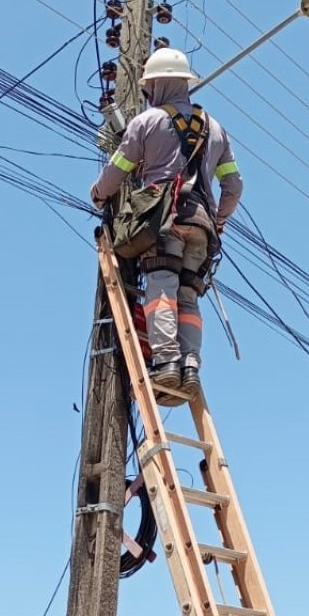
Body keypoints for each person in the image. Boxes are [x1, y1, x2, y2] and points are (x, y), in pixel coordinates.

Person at [90, 47, 243, 399]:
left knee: (161, 288)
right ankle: (190, 365)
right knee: (188, 297)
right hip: (202, 226)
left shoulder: (147, 122)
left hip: (165, 219)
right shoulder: (217, 130)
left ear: (158, 83)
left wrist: (98, 193)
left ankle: (167, 362)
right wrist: (219, 221)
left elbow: (119, 168)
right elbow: (234, 186)